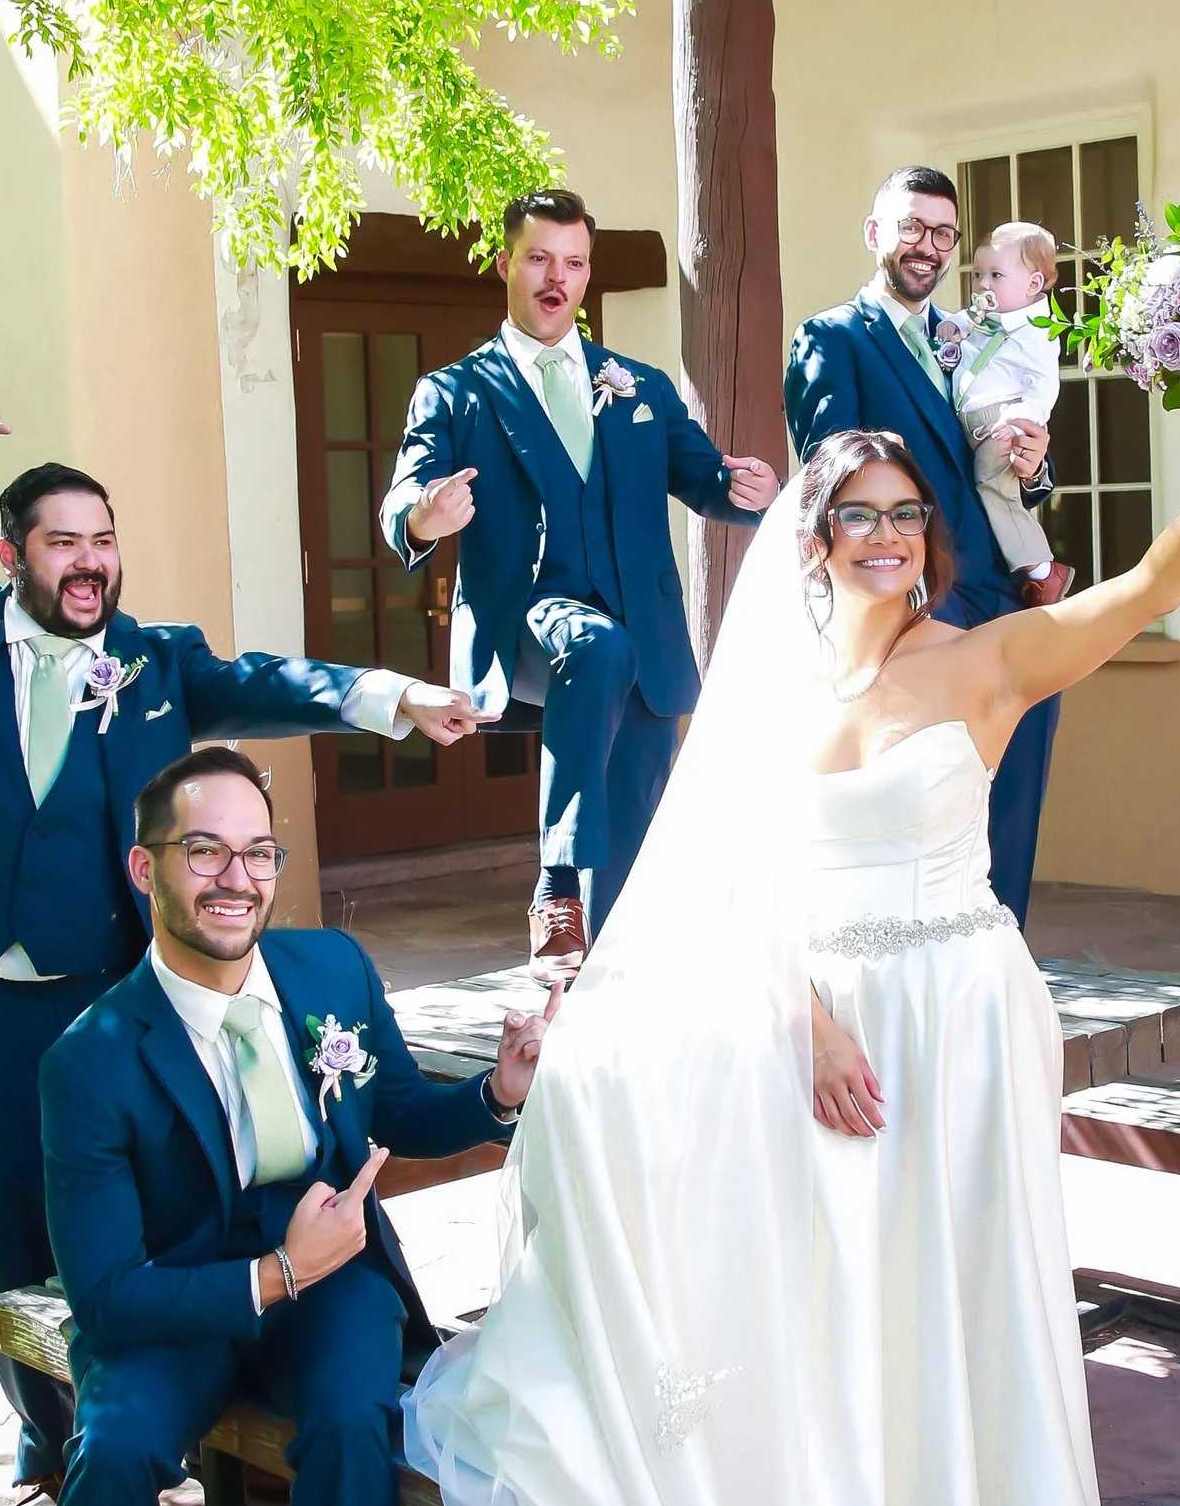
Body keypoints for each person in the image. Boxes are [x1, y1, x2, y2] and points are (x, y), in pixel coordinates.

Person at [406, 352, 1180, 1506]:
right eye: (860, 515)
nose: (888, 535)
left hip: (961, 1025)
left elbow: (1153, 583)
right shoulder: (768, 693)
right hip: (825, 1036)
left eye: (908, 515)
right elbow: (729, 875)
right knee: (839, 1317)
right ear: (813, 539)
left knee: (967, 1315)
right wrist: (809, 1015)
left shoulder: (987, 666)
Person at [0, 391, 478, 1506]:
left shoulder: (155, 662)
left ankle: (210, 1419)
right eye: (63, 540)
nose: (89, 561)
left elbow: (276, 681)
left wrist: (394, 696)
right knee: (7, 1227)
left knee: (165, 1218)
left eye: (104, 539)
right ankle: (44, 1449)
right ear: (14, 551)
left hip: (116, 994)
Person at [27, 746, 544, 1506]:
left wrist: (497, 1094)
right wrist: (266, 1273)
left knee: (358, 1419)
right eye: (204, 849)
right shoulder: (90, 1060)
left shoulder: (330, 968)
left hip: (332, 1281)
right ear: (143, 865)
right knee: (105, 1462)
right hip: (177, 1303)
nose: (235, 876)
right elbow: (104, 1295)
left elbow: (396, 1106)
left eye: (257, 850)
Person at [382, 189, 778, 981]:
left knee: (628, 869)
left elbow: (702, 476)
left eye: (573, 262)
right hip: (529, 622)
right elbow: (402, 504)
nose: (555, 278)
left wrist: (746, 487)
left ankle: (603, 1010)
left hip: (645, 640)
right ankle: (554, 885)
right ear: (504, 264)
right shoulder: (456, 391)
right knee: (593, 647)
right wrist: (426, 515)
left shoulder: (637, 385)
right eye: (538, 259)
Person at [785, 168, 1060, 923]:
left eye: (943, 233)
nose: (928, 246)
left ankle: (999, 965)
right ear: (875, 234)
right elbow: (831, 478)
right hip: (915, 612)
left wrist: (1035, 463)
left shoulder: (968, 336)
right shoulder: (833, 338)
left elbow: (995, 460)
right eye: (911, 227)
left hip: (1005, 599)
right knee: (929, 815)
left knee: (1014, 803)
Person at [946, 221, 1072, 608]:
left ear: (1033, 284)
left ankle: (1041, 570)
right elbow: (965, 323)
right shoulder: (987, 318)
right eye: (978, 275)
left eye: (996, 275)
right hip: (972, 424)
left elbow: (1043, 386)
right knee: (990, 488)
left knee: (993, 485)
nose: (983, 285)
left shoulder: (1038, 331)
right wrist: (953, 326)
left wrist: (1022, 417)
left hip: (1002, 424)